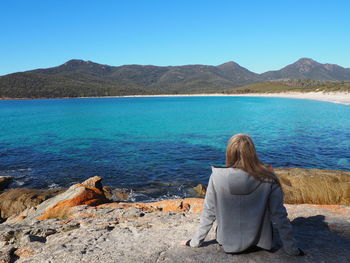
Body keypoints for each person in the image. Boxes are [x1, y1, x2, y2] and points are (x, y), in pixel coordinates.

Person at [180, 134, 304, 256]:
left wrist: (194, 242)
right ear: (252, 153)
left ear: (229, 152)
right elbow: (279, 215)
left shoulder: (216, 177)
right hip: (260, 243)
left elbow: (208, 213)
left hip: (227, 243)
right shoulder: (269, 178)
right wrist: (292, 249)